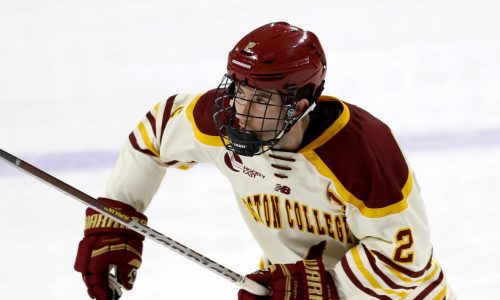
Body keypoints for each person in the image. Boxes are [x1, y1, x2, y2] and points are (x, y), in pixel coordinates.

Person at [74, 22, 455, 299]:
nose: (240, 109)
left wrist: (319, 290)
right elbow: (155, 133)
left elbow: (405, 262)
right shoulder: (221, 119)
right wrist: (118, 217)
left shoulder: (362, 152)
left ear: (299, 105)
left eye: (260, 100)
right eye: (239, 90)